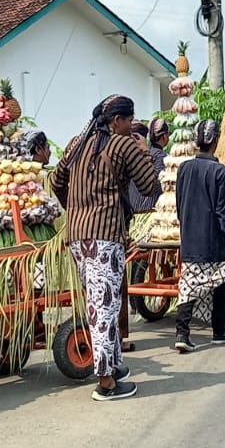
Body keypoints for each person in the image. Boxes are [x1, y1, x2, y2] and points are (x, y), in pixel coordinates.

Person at [52, 95, 160, 401]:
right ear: (117, 121)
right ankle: (106, 382)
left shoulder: (77, 144)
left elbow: (56, 180)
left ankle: (113, 364)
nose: (131, 126)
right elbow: (150, 186)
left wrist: (75, 208)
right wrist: (144, 151)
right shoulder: (123, 145)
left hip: (77, 237)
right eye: (129, 120)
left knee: (100, 304)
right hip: (105, 236)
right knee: (104, 307)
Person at [172, 120, 225, 352]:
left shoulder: (184, 169)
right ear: (214, 140)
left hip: (191, 237)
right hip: (213, 239)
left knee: (189, 284)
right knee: (220, 281)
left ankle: (182, 333)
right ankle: (218, 331)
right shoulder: (220, 171)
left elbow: (179, 204)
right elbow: (223, 210)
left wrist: (186, 230)